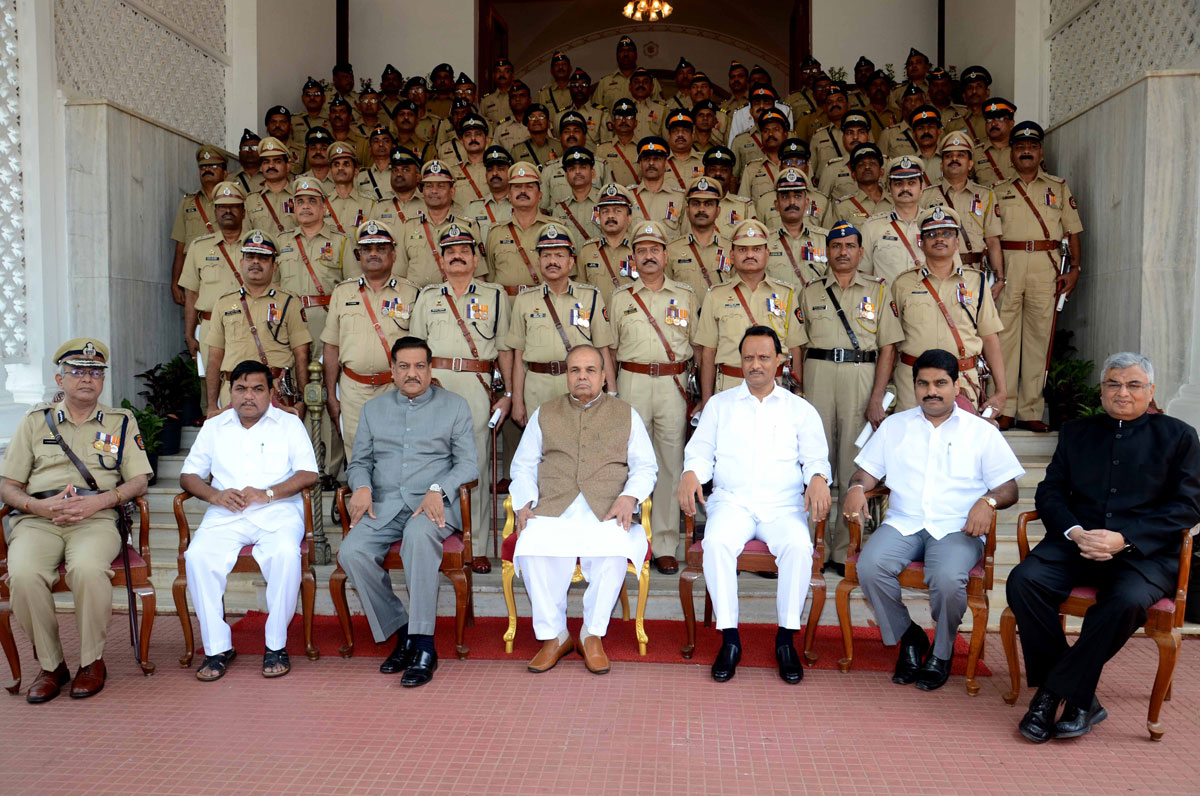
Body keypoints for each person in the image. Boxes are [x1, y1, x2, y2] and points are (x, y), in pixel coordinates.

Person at [1007, 353, 1200, 742]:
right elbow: (1050, 492)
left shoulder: (1179, 436)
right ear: (1102, 390)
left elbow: (1188, 507)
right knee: (1024, 582)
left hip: (1143, 555)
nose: (1122, 393)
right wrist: (1076, 532)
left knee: (1126, 602)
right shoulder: (1077, 432)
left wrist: (1124, 539)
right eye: (1113, 384)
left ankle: (1052, 694)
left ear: (1151, 391)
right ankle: (1081, 699)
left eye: (1133, 385)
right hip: (1075, 546)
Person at [843, 348, 1024, 690]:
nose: (932, 391)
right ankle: (910, 636)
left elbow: (1009, 489)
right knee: (869, 566)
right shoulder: (895, 426)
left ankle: (941, 653)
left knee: (946, 577)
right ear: (914, 386)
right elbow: (865, 473)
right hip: (905, 521)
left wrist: (988, 501)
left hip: (957, 527)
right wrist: (855, 487)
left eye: (941, 383)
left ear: (957, 386)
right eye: (923, 383)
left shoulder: (981, 431)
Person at [1, 338, 153, 702]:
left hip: (96, 519)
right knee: (23, 575)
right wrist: (37, 508)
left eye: (95, 373)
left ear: (102, 380)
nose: (87, 379)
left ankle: (91, 662)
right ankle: (52, 666)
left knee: (87, 569)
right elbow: (7, 485)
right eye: (77, 372)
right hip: (39, 520)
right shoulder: (35, 422)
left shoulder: (120, 422)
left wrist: (100, 501)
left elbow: (139, 479)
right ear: (60, 379)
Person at [679, 325, 831, 684]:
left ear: (780, 360)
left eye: (764, 357)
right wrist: (690, 473)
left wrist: (819, 479)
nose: (756, 365)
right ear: (740, 361)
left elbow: (816, 459)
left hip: (782, 507)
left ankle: (785, 640)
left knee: (798, 546)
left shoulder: (800, 410)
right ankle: (730, 639)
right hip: (733, 503)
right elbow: (700, 453)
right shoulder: (719, 406)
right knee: (716, 544)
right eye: (749, 357)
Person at [337, 337, 477, 687]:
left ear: (430, 369)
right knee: (351, 552)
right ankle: (403, 632)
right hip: (382, 507)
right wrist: (362, 486)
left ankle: (425, 645)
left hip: (431, 507)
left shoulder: (455, 406)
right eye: (403, 366)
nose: (411, 373)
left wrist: (437, 489)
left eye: (419, 366)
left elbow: (469, 465)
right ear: (393, 371)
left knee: (417, 537)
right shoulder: (373, 409)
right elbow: (358, 463)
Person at [510, 345, 657, 674]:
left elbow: (646, 468)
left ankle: (592, 634)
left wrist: (629, 497)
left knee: (616, 547)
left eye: (590, 370)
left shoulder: (625, 413)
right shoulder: (545, 412)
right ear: (567, 376)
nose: (582, 377)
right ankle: (555, 636)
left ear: (604, 377)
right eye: (575, 370)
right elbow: (522, 466)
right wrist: (524, 502)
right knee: (531, 543)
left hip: (606, 507)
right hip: (553, 506)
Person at [180, 361, 319, 681]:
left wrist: (268, 493)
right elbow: (189, 475)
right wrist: (215, 496)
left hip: (278, 510)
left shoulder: (288, 423)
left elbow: (308, 473)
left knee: (285, 554)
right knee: (198, 556)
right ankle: (217, 648)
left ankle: (276, 645)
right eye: (241, 389)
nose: (249, 396)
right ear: (230, 392)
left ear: (271, 392)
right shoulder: (214, 426)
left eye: (257, 389)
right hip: (226, 512)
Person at [797, 220, 900, 572]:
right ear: (827, 251)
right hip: (818, 376)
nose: (843, 252)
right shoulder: (809, 292)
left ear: (860, 251)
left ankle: (844, 549)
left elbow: (888, 347)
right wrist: (799, 388)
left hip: (861, 377)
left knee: (853, 465)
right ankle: (812, 544)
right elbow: (798, 345)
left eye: (850, 246)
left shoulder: (878, 291)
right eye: (836, 246)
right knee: (814, 462)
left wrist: (877, 396)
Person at [410, 224, 513, 571]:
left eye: (464, 250)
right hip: (434, 388)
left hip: (476, 387)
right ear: (441, 258)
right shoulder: (427, 297)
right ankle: (434, 537)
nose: (457, 255)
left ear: (475, 257)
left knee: (476, 467)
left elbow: (504, 351)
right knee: (433, 465)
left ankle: (477, 545)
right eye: (450, 250)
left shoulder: (495, 295)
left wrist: (508, 393)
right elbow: (415, 351)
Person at [609, 221, 698, 574]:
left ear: (666, 255)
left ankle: (662, 543)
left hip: (672, 385)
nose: (648, 256)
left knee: (669, 463)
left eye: (654, 250)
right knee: (627, 461)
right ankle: (626, 538)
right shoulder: (620, 299)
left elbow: (697, 344)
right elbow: (609, 348)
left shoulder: (687, 296)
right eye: (641, 251)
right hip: (631, 381)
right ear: (633, 258)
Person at [994, 121, 1083, 431]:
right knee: (1004, 338)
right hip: (1009, 267)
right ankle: (1003, 408)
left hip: (1045, 267)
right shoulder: (998, 191)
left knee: (1038, 339)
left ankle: (1031, 411)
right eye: (1020, 147)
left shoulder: (1057, 187)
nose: (1026, 151)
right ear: (1012, 154)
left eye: (1032, 147)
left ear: (1040, 151)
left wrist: (1074, 270)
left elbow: (1072, 231)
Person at [889, 205, 1006, 413]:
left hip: (961, 381)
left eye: (947, 233)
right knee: (913, 443)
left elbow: (990, 338)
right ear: (921, 242)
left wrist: (1001, 390)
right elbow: (890, 343)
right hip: (912, 382)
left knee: (959, 444)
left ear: (957, 242)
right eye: (932, 234)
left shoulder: (976, 282)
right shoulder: (903, 284)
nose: (939, 238)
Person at [321, 220, 420, 461]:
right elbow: (331, 347)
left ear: (394, 254)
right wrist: (332, 397)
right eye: (367, 249)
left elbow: (420, 348)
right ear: (359, 255)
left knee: (398, 454)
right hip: (354, 390)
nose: (373, 254)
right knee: (358, 454)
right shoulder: (342, 293)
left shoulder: (411, 293)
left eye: (381, 248)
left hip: (395, 388)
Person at [505, 223, 616, 426]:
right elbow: (519, 358)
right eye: (546, 256)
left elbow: (603, 349)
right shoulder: (524, 300)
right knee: (541, 449)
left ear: (571, 262)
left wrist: (612, 392)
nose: (552, 261)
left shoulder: (590, 297)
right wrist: (518, 400)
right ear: (538, 261)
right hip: (538, 386)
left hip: (579, 384)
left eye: (559, 255)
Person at [694, 219, 804, 401]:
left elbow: (795, 348)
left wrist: (798, 394)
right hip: (729, 386)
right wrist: (707, 400)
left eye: (757, 249)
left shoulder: (786, 294)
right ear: (732, 255)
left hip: (775, 387)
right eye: (742, 250)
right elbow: (708, 352)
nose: (750, 255)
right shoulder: (716, 295)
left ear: (767, 254)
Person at [204, 230, 311, 414]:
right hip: (233, 392)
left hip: (275, 393)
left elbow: (301, 355)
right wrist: (212, 405)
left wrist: (301, 400)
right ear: (241, 263)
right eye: (250, 257)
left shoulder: (289, 303)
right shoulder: (223, 303)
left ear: (274, 266)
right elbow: (214, 359)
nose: (255, 262)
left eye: (262, 258)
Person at [178, 181, 250, 377]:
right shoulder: (199, 247)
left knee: (249, 382)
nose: (228, 211)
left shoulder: (256, 244)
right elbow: (192, 294)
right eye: (222, 207)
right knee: (212, 384)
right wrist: (189, 334)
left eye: (234, 206)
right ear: (215, 212)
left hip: (250, 325)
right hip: (211, 328)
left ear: (243, 212)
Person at [919, 131, 1004, 287]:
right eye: (949, 156)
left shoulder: (986, 195)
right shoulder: (925, 195)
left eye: (960, 155)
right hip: (936, 273)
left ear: (970, 163)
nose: (954, 159)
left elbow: (992, 241)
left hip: (973, 274)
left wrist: (999, 279)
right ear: (941, 164)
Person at [170, 145, 229, 305]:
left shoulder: (234, 204)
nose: (207, 169)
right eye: (203, 166)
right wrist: (175, 283)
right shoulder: (187, 203)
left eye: (214, 166)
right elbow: (180, 247)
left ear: (225, 173)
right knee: (195, 326)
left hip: (224, 273)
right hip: (194, 276)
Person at [860, 155, 927, 284]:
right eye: (898, 184)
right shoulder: (872, 227)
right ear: (889, 188)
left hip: (926, 302)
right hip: (887, 303)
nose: (905, 188)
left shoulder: (935, 225)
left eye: (911, 183)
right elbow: (863, 275)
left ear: (922, 187)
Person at [666, 176, 734, 297]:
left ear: (718, 211)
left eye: (708, 204)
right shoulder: (671, 250)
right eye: (696, 204)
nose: (701, 209)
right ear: (687, 210)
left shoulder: (731, 249)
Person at [577, 183, 636, 303]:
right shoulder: (587, 251)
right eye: (605, 211)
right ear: (599, 216)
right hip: (597, 320)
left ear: (629, 217)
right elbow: (580, 294)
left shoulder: (639, 249)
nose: (610, 216)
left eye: (617, 211)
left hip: (632, 319)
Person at [244, 137, 297, 235]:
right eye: (266, 162)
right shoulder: (250, 201)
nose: (271, 166)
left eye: (277, 161)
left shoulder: (299, 197)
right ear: (261, 167)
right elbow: (246, 236)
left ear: (288, 166)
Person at [594, 35, 663, 109]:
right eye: (622, 51)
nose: (626, 54)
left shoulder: (650, 81)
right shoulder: (605, 82)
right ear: (617, 55)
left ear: (636, 55)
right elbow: (596, 111)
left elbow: (660, 109)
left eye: (630, 50)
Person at [594, 98, 640, 186]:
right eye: (619, 117)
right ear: (613, 122)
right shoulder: (602, 150)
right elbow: (596, 181)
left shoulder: (642, 149)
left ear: (636, 123)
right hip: (611, 198)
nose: (623, 120)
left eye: (629, 117)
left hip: (636, 198)